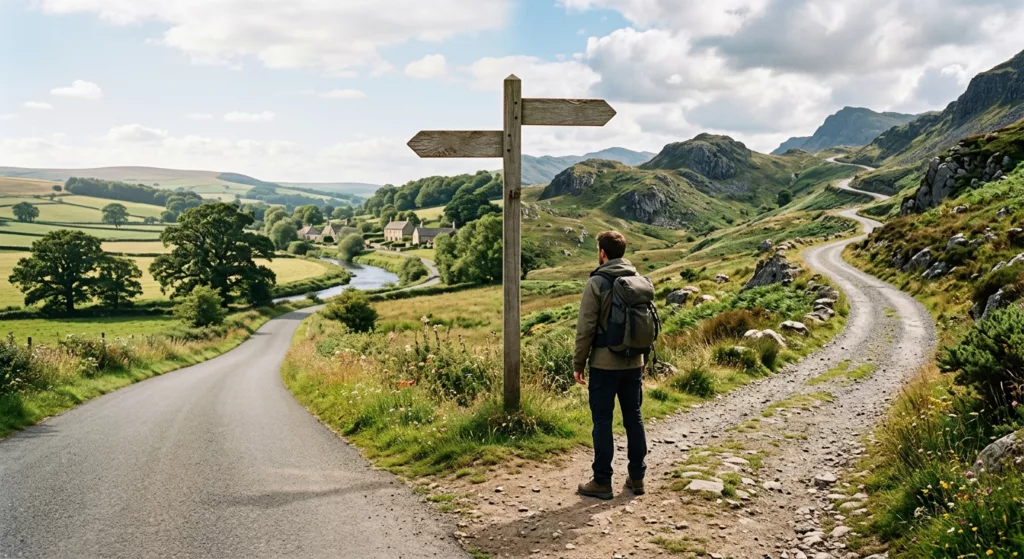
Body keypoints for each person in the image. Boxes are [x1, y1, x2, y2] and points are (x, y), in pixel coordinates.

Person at [574, 230, 648, 500]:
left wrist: (578, 363)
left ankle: (602, 481)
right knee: (634, 418)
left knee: (603, 421)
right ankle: (637, 477)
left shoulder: (597, 282)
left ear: (602, 253)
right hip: (634, 363)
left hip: (605, 365)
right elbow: (645, 326)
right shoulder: (637, 279)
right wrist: (643, 359)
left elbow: (586, 328)